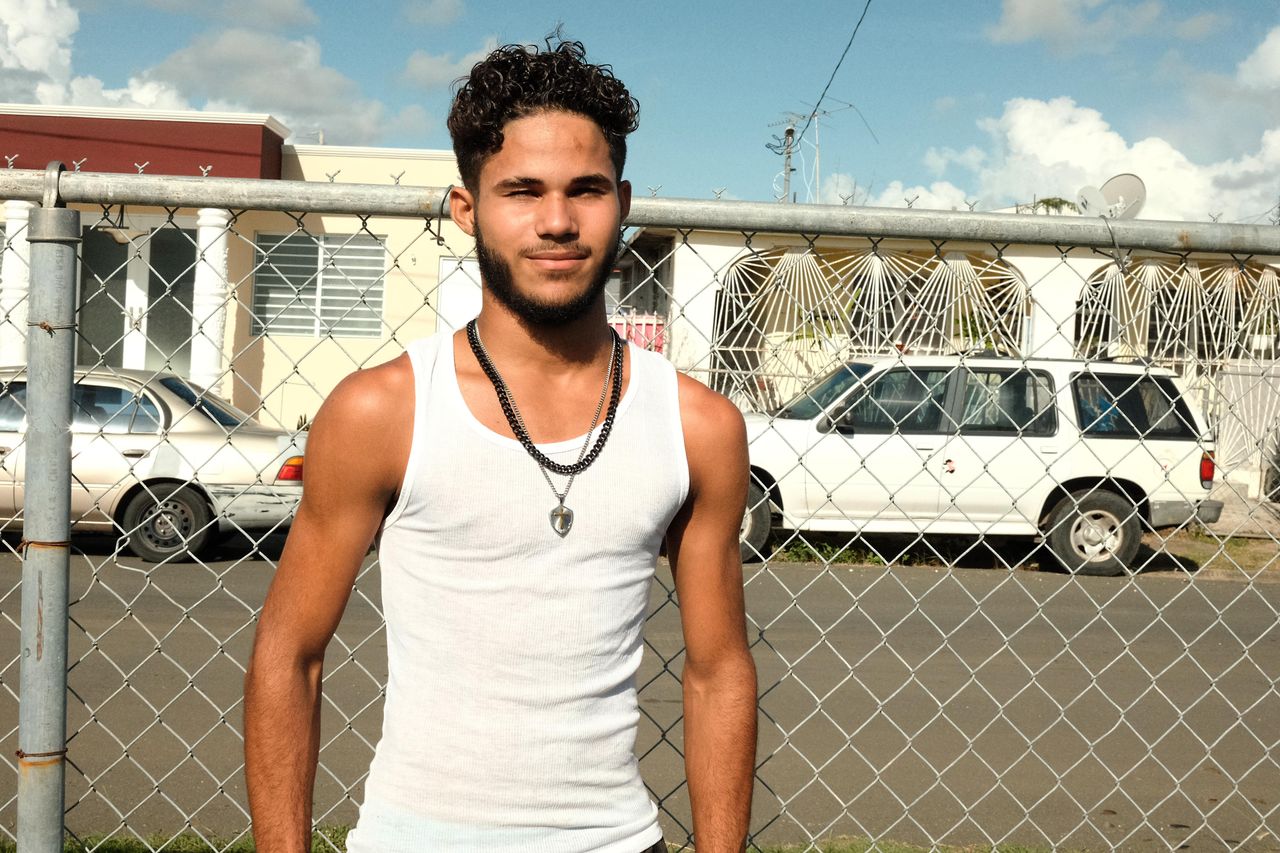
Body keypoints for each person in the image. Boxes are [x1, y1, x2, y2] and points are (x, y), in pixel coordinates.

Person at [244, 38, 757, 853]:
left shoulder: (695, 425)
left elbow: (719, 667)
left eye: (585, 190)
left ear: (621, 202)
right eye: (522, 190)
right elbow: (289, 652)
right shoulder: (382, 411)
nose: (556, 220)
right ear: (466, 207)